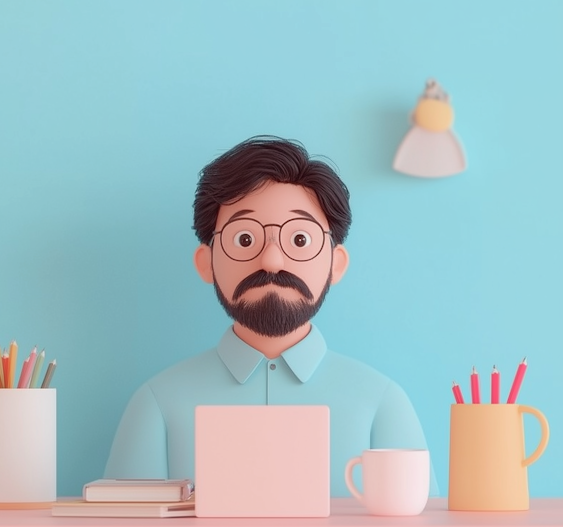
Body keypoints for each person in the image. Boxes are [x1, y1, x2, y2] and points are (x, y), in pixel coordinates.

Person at [105, 136, 438, 496]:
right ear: (207, 263)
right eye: (245, 240)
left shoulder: (381, 402)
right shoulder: (157, 403)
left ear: (335, 264)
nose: (272, 261)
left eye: (299, 240)